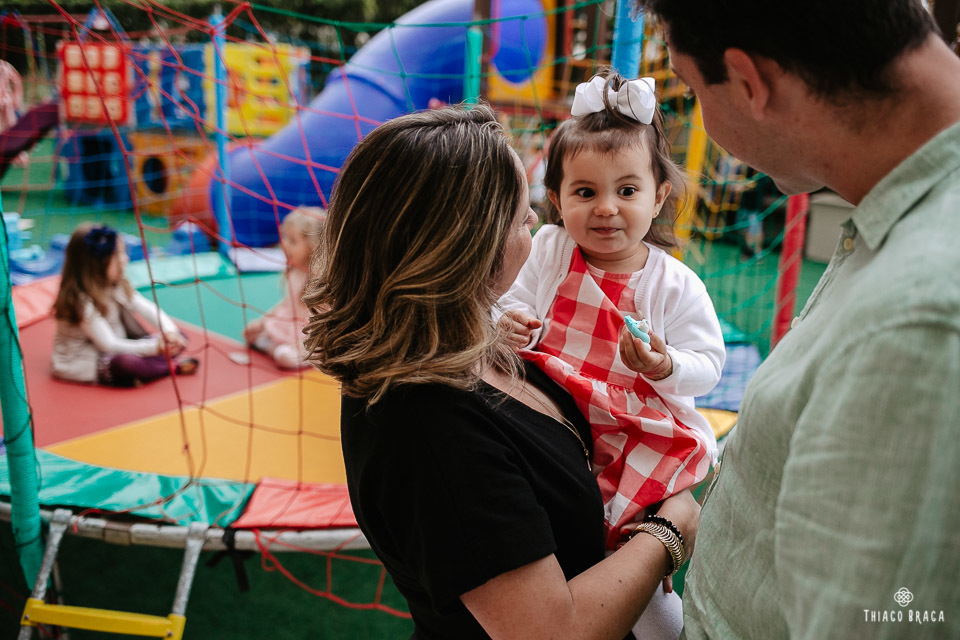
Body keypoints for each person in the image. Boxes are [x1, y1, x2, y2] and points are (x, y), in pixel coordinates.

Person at [302, 104, 701, 640]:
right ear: (465, 249)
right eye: (519, 217)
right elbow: (551, 633)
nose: (536, 222)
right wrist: (668, 533)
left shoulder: (474, 339)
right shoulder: (429, 428)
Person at [636, 0, 960, 637]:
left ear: (748, 80)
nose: (702, 114)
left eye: (693, 89)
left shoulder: (919, 323)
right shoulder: (903, 230)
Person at [497, 72, 724, 638]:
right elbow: (508, 300)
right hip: (559, 411)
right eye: (585, 193)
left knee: (630, 541)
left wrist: (665, 364)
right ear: (555, 199)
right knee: (562, 536)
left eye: (626, 191)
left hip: (635, 428)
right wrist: (510, 322)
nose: (605, 209)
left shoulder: (672, 283)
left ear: (658, 197)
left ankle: (660, 624)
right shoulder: (550, 249)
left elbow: (709, 365)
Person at [51, 223, 197, 387]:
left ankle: (145, 372)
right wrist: (155, 348)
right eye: (118, 254)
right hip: (90, 363)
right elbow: (108, 344)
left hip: (119, 346)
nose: (125, 259)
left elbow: (146, 307)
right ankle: (170, 367)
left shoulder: (116, 284)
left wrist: (169, 332)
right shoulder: (80, 301)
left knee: (180, 336)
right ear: (97, 263)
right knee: (125, 364)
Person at [242, 206, 324, 369]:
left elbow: (323, 319)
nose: (285, 244)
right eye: (285, 238)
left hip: (309, 331)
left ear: (312, 247)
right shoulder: (294, 270)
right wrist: (262, 321)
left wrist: (303, 342)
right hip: (288, 323)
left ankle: (308, 354)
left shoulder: (318, 280)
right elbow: (287, 303)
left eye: (292, 241)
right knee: (250, 334)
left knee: (285, 357)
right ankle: (276, 347)